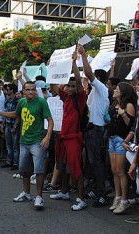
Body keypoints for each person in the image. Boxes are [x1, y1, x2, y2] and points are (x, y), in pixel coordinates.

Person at [0, 81, 54, 209]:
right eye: (28, 89)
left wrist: (47, 137)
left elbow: (50, 121)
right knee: (25, 170)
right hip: (24, 142)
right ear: (23, 91)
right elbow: (15, 114)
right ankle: (26, 193)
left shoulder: (41, 102)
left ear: (35, 90)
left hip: (37, 141)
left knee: (39, 170)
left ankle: (39, 197)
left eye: (33, 89)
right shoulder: (22, 102)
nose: (31, 92)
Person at [49, 50, 87, 211]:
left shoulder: (80, 98)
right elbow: (52, 86)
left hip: (73, 139)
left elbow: (78, 80)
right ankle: (64, 191)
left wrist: (73, 63)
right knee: (62, 166)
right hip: (63, 138)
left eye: (73, 86)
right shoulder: (66, 98)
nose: (71, 88)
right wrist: (52, 69)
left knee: (75, 168)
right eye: (68, 86)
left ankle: (81, 198)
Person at [78, 44, 110, 208]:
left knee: (96, 162)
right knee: (90, 162)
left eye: (92, 79)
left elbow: (89, 74)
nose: (89, 80)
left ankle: (102, 194)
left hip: (96, 130)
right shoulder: (94, 92)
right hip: (90, 130)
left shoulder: (102, 89)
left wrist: (83, 55)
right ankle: (96, 189)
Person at [107, 82, 137, 214]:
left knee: (120, 170)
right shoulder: (114, 104)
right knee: (114, 170)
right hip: (112, 138)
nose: (114, 90)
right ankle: (117, 197)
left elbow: (131, 125)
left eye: (117, 89)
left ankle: (124, 200)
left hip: (121, 140)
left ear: (123, 92)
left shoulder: (129, 106)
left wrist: (123, 113)